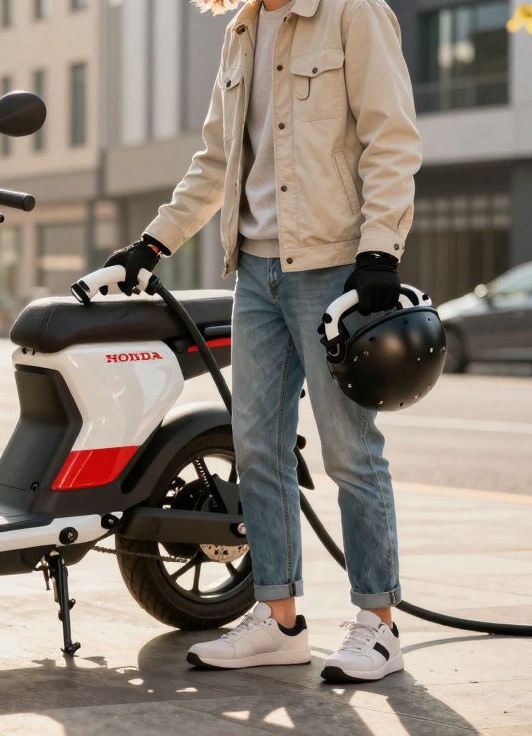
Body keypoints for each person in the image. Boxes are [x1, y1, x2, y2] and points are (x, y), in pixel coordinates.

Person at [104, 0, 422, 683]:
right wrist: (150, 244)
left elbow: (390, 137)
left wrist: (380, 252)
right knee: (257, 449)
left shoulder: (353, 13)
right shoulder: (243, 29)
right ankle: (279, 619)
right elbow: (216, 161)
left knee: (349, 451)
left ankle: (378, 625)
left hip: (333, 265)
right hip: (255, 271)